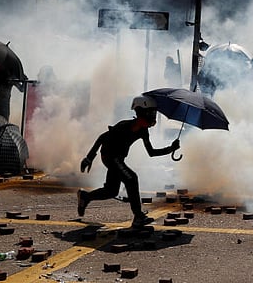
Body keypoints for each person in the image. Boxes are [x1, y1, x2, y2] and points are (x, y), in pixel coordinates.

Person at [77, 95, 179, 227]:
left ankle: (85, 197)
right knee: (131, 178)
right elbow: (102, 137)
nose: (153, 116)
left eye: (154, 113)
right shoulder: (124, 126)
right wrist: (89, 157)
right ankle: (138, 216)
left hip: (117, 159)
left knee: (111, 191)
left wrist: (171, 148)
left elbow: (151, 152)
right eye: (150, 112)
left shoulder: (143, 131)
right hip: (109, 156)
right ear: (140, 112)